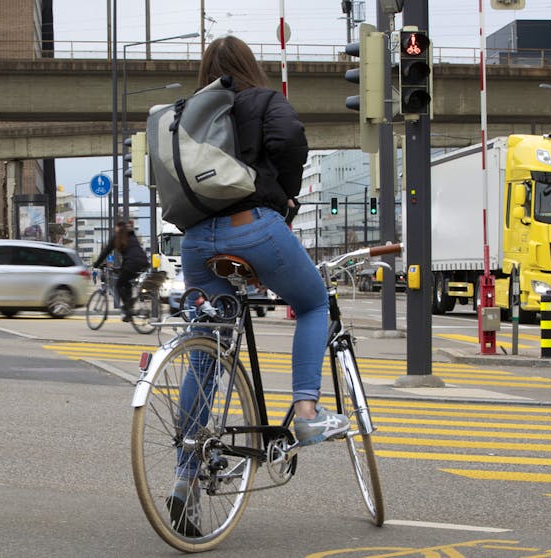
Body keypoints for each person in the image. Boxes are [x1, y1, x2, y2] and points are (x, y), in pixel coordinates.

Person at [168, 36, 346, 535]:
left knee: (206, 350)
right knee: (312, 305)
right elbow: (289, 141)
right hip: (256, 226)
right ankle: (307, 412)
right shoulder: (264, 99)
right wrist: (284, 193)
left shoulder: (186, 112)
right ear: (249, 66)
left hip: (198, 241)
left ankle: (185, 471)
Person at [93, 220, 149, 321]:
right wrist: (120, 269)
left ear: (118, 228)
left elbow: (106, 252)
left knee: (118, 284)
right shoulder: (131, 236)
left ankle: (127, 309)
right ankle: (129, 305)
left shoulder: (117, 237)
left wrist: (97, 264)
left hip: (132, 264)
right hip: (143, 262)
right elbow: (131, 254)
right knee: (127, 283)